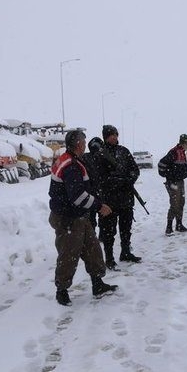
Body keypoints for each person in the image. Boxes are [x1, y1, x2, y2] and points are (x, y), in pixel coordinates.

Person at [48, 130, 117, 306]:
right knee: (69, 254)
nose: (85, 144)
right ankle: (61, 291)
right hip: (68, 218)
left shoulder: (73, 160)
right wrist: (99, 206)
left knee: (93, 249)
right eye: (83, 141)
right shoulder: (71, 165)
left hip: (79, 216)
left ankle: (97, 284)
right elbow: (77, 197)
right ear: (78, 143)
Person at [90, 125, 142, 270]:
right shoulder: (100, 154)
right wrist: (117, 181)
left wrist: (129, 179)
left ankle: (125, 252)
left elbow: (135, 170)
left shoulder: (123, 151)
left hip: (126, 198)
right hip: (109, 200)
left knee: (126, 228)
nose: (114, 137)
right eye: (111, 135)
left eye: (115, 134)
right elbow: (99, 177)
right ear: (105, 137)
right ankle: (109, 259)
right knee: (108, 232)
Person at [159, 134, 187, 235]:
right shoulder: (174, 152)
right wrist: (168, 176)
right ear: (184, 143)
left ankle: (179, 225)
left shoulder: (182, 152)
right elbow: (161, 164)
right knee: (174, 204)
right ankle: (169, 227)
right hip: (173, 183)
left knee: (181, 202)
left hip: (180, 182)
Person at [81, 136, 104, 235]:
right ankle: (98, 236)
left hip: (92, 193)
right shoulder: (102, 157)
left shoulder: (85, 157)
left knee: (94, 219)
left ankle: (94, 236)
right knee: (98, 218)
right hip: (95, 193)